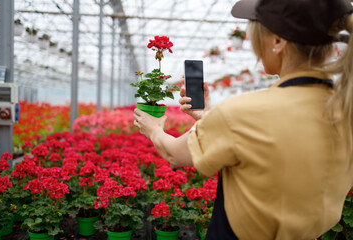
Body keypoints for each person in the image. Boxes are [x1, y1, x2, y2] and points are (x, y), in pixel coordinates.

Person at [133, 0, 353, 239]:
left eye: (257, 33)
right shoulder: (344, 109)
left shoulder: (242, 114)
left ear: (278, 42)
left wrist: (153, 129)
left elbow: (173, 153)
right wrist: (206, 116)